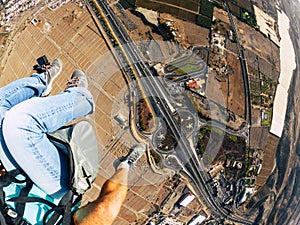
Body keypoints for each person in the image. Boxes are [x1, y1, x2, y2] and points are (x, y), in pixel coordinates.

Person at [0, 58, 146, 225]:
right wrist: (124, 167)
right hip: (54, 190)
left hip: (14, 180)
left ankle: (42, 80)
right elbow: (104, 210)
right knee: (21, 126)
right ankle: (80, 99)